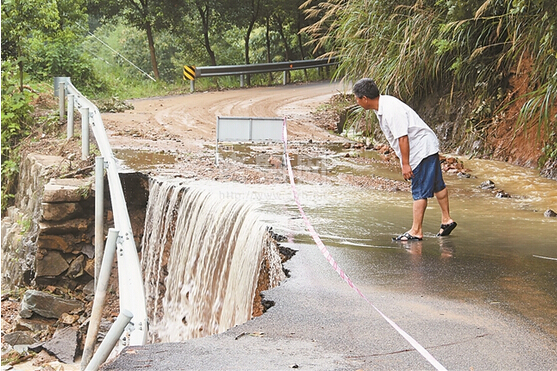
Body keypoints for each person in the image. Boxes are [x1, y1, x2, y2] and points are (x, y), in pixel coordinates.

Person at [352, 78, 457, 241]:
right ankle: (446, 220)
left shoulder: (390, 110)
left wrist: (406, 164)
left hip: (420, 149)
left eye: (357, 98)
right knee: (437, 184)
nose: (356, 101)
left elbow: (402, 137)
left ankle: (416, 231)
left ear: (364, 98)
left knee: (419, 190)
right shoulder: (384, 104)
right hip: (426, 145)